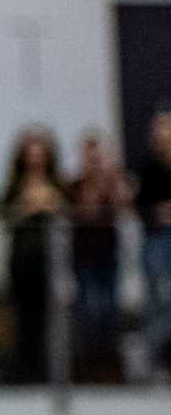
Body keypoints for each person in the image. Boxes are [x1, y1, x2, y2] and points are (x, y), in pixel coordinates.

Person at [0, 129, 67, 383]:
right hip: (22, 256)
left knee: (48, 315)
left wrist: (49, 204)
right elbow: (5, 213)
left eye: (40, 155)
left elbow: (66, 210)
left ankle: (49, 367)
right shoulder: (15, 184)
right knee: (23, 315)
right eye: (31, 155)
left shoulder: (57, 182)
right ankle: (24, 367)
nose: (35, 160)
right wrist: (28, 206)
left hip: (49, 257)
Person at [67, 132, 132, 378]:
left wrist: (111, 180)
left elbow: (125, 205)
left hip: (108, 254)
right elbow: (76, 212)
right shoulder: (75, 184)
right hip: (84, 256)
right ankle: (89, 362)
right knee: (87, 308)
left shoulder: (112, 183)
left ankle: (109, 360)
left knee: (108, 307)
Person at [137, 109, 171, 377]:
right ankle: (156, 360)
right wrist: (157, 213)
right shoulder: (148, 167)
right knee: (158, 297)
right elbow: (140, 206)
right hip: (158, 238)